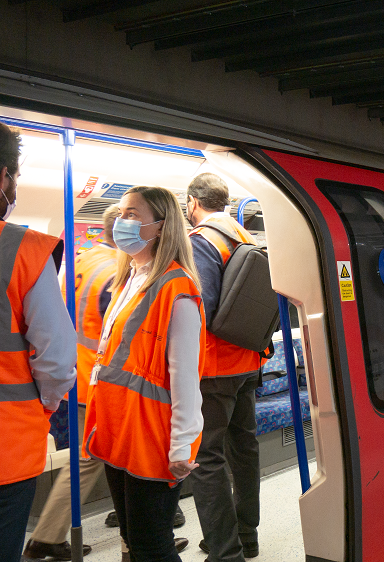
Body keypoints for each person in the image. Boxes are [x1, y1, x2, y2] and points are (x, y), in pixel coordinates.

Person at [83, 186, 206, 562]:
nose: (121, 222)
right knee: (134, 542)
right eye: (121, 213)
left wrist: (182, 444)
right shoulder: (127, 280)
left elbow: (185, 375)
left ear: (161, 226)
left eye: (132, 215)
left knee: (152, 548)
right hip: (119, 428)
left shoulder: (177, 288)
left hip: (152, 435)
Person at [0, 122, 77, 562]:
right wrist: (44, 405)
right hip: (6, 446)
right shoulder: (23, 250)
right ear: (4, 176)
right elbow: (57, 356)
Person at [23, 205, 118, 560]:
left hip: (74, 373)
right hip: (101, 380)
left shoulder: (81, 260)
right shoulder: (117, 272)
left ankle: (52, 535)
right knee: (91, 456)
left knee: (95, 454)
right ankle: (46, 537)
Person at [185, 173, 263, 561]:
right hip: (248, 362)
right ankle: (247, 535)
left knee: (206, 459)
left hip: (216, 369)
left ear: (192, 203)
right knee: (244, 448)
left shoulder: (201, 240)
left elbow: (203, 308)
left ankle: (225, 551)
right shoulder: (244, 236)